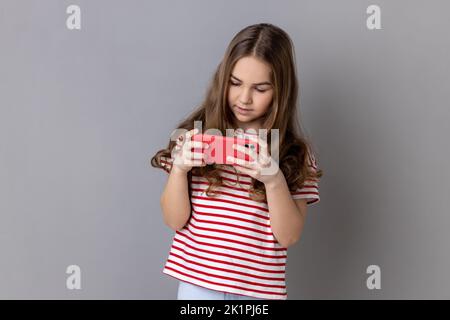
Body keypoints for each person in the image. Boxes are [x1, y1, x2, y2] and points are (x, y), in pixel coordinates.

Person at [150, 23, 323, 300]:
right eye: (235, 83)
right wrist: (180, 170)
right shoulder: (196, 136)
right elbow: (174, 219)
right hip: (198, 287)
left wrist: (274, 180)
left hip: (257, 295)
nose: (244, 98)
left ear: (280, 91)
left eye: (261, 88)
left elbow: (289, 236)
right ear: (222, 79)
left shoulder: (293, 153)